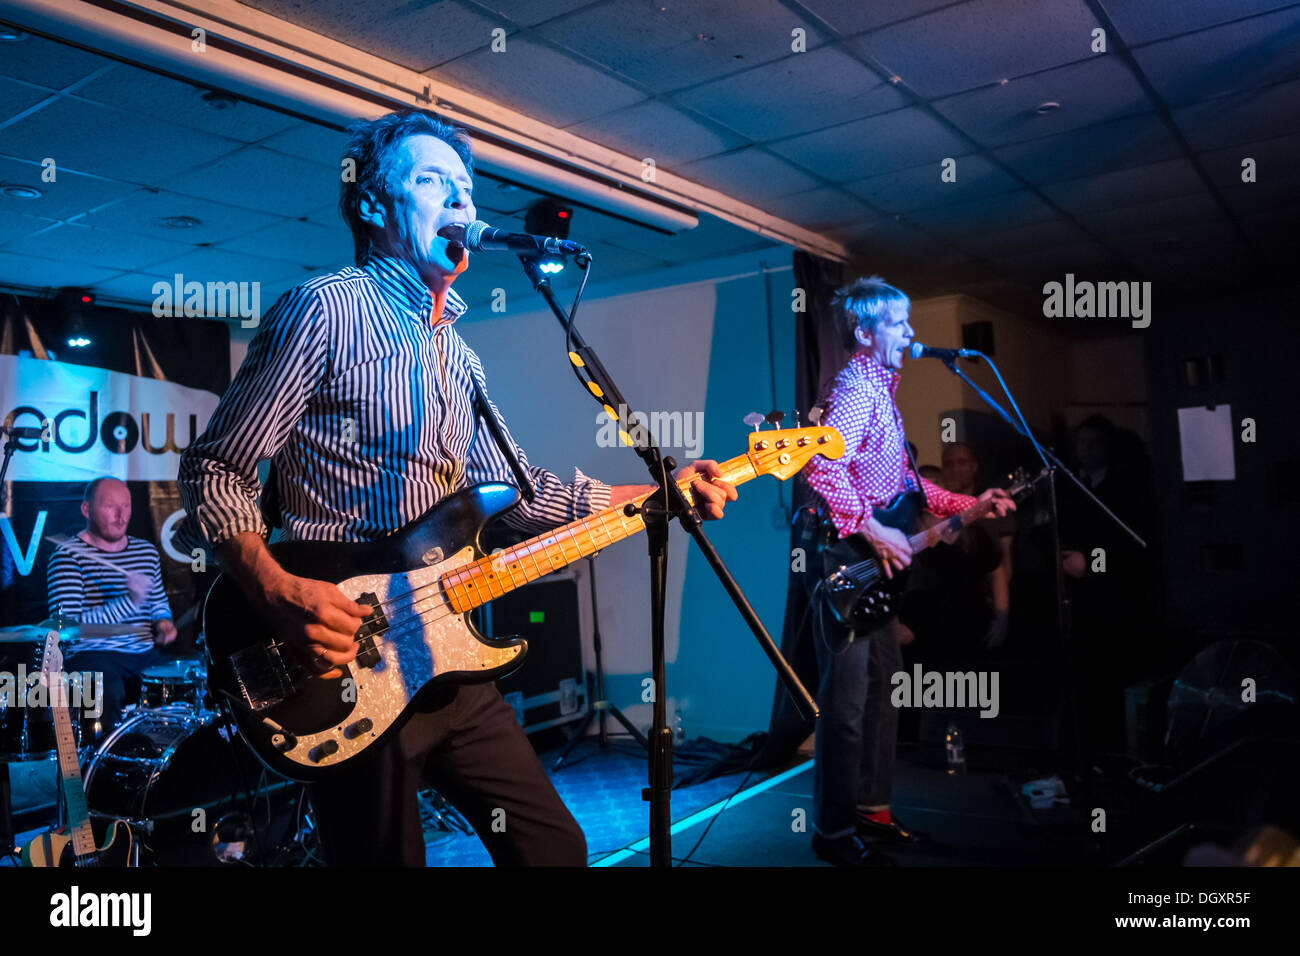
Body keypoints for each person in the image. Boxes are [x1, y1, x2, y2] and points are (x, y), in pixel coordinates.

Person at [177, 109, 736, 867]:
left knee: (554, 849)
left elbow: (523, 496)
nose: (464, 203)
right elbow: (216, 469)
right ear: (373, 206)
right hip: (343, 667)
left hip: (446, 658)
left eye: (469, 189)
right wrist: (278, 590)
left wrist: (664, 492)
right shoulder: (325, 310)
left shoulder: (461, 358)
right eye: (434, 181)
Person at [801, 276, 1014, 867]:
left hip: (875, 567)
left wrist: (971, 505)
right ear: (866, 333)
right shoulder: (853, 390)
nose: (911, 332)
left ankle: (872, 811)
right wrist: (872, 528)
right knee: (845, 708)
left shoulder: (882, 392)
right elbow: (821, 468)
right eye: (898, 322)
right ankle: (833, 834)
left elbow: (905, 488)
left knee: (879, 698)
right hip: (846, 562)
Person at [47, 476, 177, 736]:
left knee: (191, 678)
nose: (121, 516)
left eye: (126, 506)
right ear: (87, 509)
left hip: (142, 652)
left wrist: (164, 622)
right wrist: (129, 602)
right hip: (93, 654)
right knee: (106, 688)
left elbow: (158, 602)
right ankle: (105, 767)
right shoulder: (67, 556)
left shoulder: (146, 552)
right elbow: (69, 630)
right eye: (110, 506)